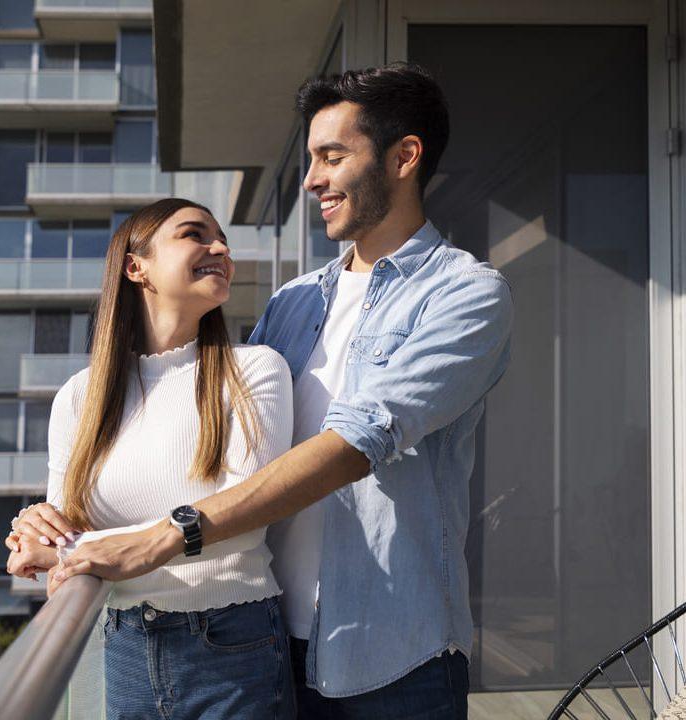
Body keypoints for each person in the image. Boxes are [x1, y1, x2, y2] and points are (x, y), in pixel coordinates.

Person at [48, 64, 514, 719]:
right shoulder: (293, 302)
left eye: (333, 157)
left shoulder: (466, 294)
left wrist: (161, 538)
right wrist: (56, 518)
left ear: (404, 156)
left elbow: (356, 442)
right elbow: (209, 449)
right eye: (311, 159)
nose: (312, 180)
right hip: (259, 646)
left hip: (393, 657)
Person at [4, 198, 295, 719]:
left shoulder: (254, 370)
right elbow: (63, 534)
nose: (221, 248)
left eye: (222, 239)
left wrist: (70, 549)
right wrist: (36, 528)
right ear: (136, 267)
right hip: (125, 642)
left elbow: (246, 518)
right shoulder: (80, 397)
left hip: (233, 645)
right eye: (195, 234)